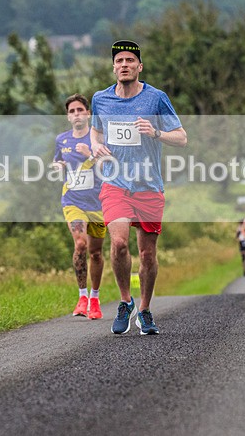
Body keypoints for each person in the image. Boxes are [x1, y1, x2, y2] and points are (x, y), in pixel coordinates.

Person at [90, 40, 187, 335]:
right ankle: (125, 301)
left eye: (129, 61)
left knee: (147, 255)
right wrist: (95, 144)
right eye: (119, 61)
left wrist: (156, 132)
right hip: (115, 183)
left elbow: (181, 137)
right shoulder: (100, 99)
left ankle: (144, 309)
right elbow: (95, 130)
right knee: (118, 243)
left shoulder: (156, 98)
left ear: (139, 67)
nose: (124, 65)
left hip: (148, 186)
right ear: (113, 67)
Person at [53, 94, 106, 319]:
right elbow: (58, 162)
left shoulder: (99, 139)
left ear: (88, 114)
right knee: (81, 244)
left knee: (95, 253)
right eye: (72, 111)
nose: (76, 114)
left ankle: (95, 298)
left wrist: (90, 154)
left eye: (80, 110)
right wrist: (57, 166)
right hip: (72, 201)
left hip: (98, 203)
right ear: (68, 117)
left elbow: (110, 166)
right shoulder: (62, 140)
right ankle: (82, 296)